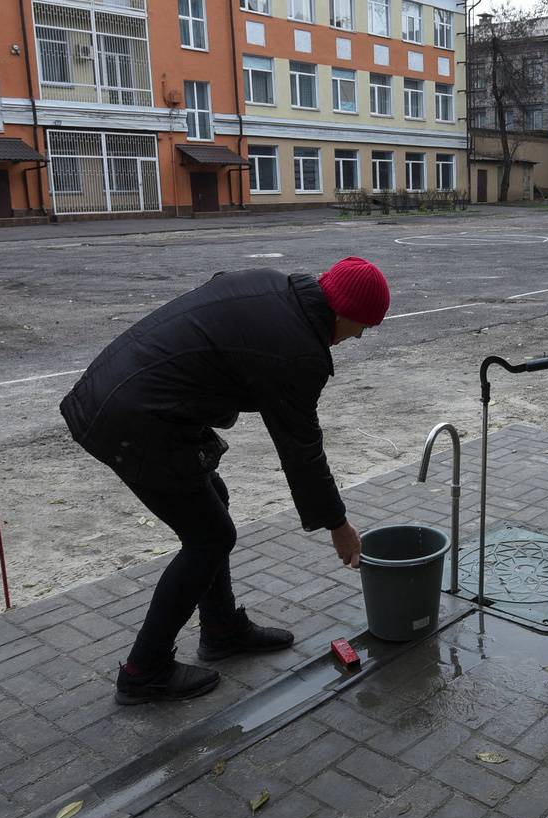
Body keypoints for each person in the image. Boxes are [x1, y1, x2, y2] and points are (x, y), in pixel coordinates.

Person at [59, 257, 390, 705]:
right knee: (208, 537)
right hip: (132, 418)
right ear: (345, 313)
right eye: (364, 326)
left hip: (124, 392)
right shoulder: (298, 350)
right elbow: (301, 450)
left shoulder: (273, 286)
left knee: (214, 499)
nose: (361, 336)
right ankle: (144, 670)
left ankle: (221, 630)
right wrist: (339, 525)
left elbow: (220, 326)